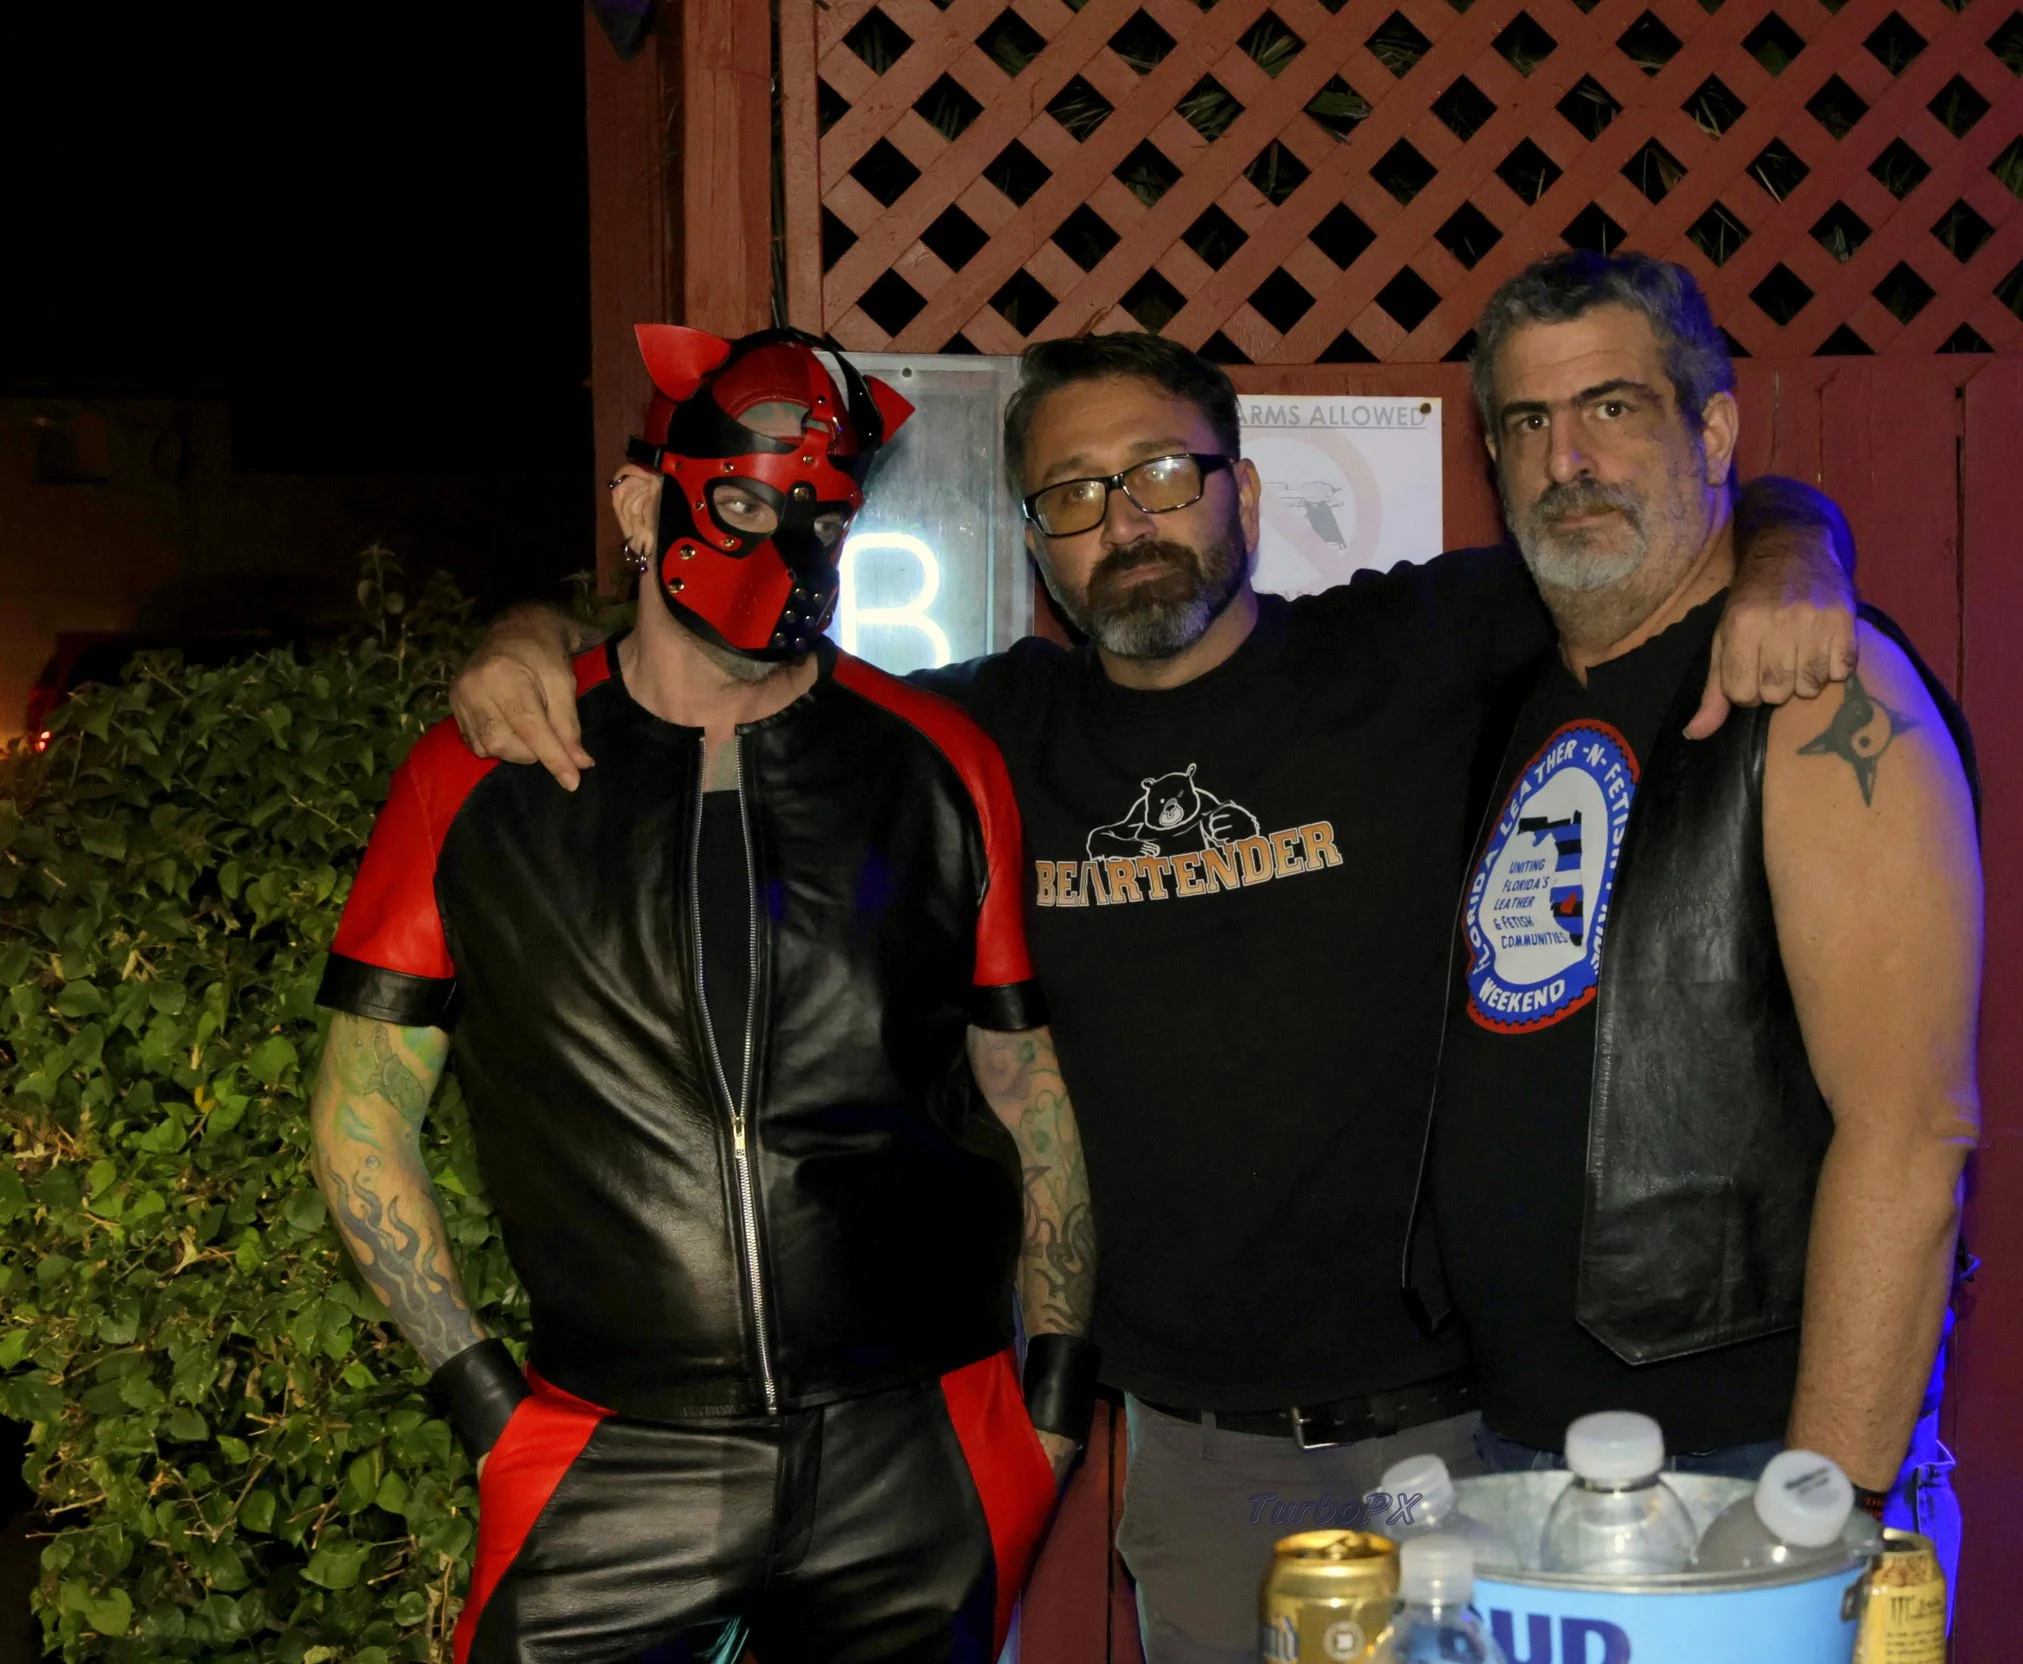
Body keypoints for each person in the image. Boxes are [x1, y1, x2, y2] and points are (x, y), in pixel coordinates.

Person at [449, 331, 1862, 1664]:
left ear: (1245, 490)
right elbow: (719, 665)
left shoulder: (1409, 649)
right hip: (1193, 1458)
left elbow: (1677, 524)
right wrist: (526, 635)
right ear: (1036, 543)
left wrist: (1800, 550)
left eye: (1164, 473)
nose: (1124, 521)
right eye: (1072, 495)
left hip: (1465, 1435)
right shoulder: (978, 738)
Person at [310, 323, 1095, 1664]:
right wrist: (486, 1403)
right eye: (739, 504)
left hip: (922, 1448)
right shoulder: (476, 776)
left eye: (823, 520)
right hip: (608, 1452)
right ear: (642, 505)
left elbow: (1027, 1090)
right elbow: (360, 1110)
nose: (782, 548)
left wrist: (1052, 1407)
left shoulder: (938, 762)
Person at [1413, 252, 1979, 1602]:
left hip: (1753, 1473)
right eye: (1529, 424)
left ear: (1713, 432)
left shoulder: (1823, 688)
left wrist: (1820, 1515)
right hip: (1525, 1461)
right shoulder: (1511, 694)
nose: (1568, 460)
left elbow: (1912, 1133)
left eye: (1612, 409)